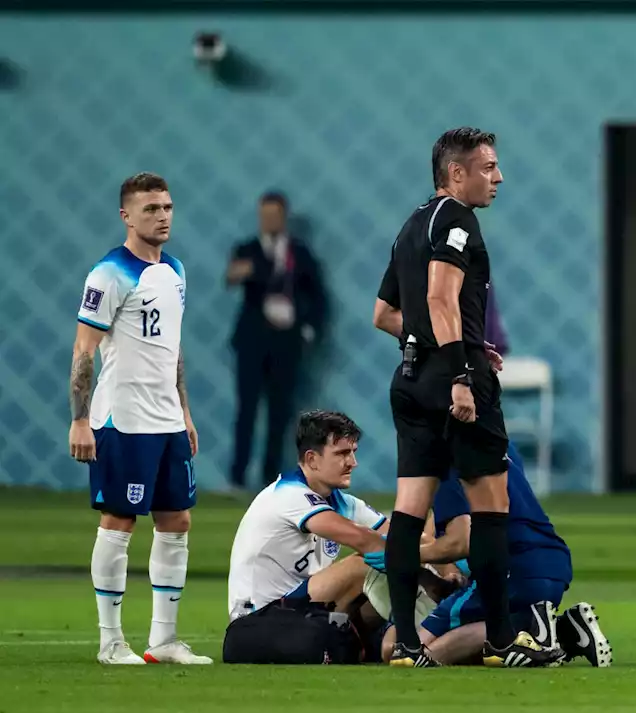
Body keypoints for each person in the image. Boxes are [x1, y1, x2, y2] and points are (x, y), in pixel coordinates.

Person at [373, 126, 563, 669]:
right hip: (458, 385)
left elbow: (385, 315)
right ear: (456, 174)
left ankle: (407, 643)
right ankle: (504, 641)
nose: (498, 178)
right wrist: (461, 369)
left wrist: (446, 349)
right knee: (492, 508)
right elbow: (439, 295)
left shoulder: (411, 225)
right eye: (488, 168)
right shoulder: (458, 220)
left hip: (410, 381)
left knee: (410, 512)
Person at [70, 173, 210, 665]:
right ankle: (111, 641)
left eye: (168, 207)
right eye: (151, 209)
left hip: (168, 422)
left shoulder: (175, 270)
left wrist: (186, 413)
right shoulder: (109, 274)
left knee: (177, 520)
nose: (163, 216)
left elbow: (172, 349)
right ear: (126, 216)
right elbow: (84, 349)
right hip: (123, 420)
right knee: (120, 520)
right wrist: (81, 420)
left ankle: (163, 641)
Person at [379, 442, 612, 667]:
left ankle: (543, 632)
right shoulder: (500, 447)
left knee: (412, 653)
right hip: (553, 565)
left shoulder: (448, 459)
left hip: (514, 569)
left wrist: (403, 554)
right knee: (492, 630)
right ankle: (558, 629)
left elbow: (459, 543)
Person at [223, 410, 392, 663]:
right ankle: (426, 632)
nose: (353, 462)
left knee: (388, 572)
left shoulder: (343, 502)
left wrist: (437, 549)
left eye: (353, 452)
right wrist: (429, 562)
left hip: (303, 608)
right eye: (342, 454)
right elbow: (366, 541)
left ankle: (425, 631)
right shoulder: (289, 495)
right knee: (364, 564)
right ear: (312, 459)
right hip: (262, 617)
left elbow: (399, 533)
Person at [226, 191, 328, 489]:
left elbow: (318, 295)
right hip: (253, 341)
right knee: (246, 410)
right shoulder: (247, 248)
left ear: (283, 216)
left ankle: (268, 478)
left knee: (279, 413)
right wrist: (249, 269)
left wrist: (309, 330)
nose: (269, 220)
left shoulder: (299, 252)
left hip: (287, 343)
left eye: (274, 215)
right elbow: (231, 277)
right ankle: (237, 478)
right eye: (264, 215)